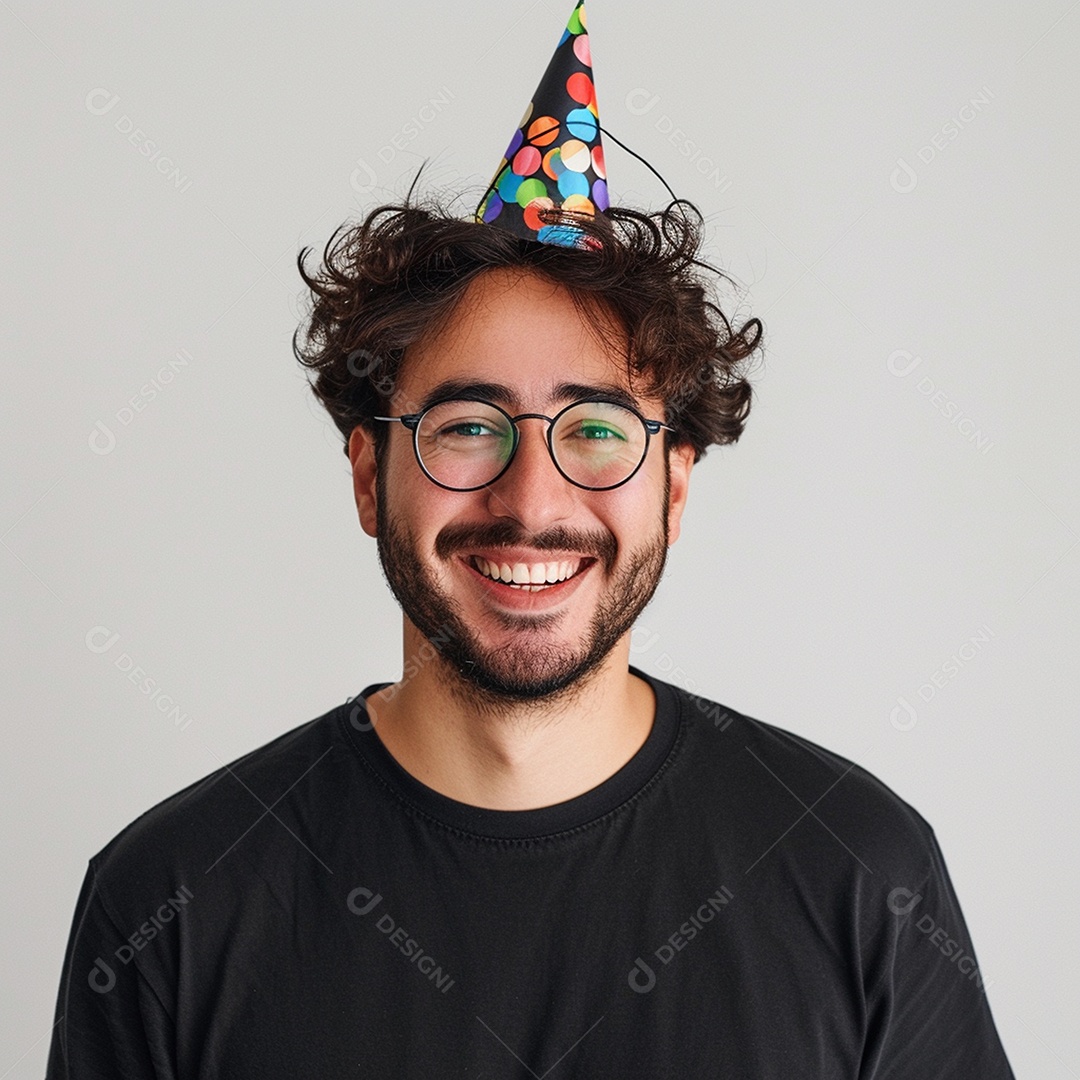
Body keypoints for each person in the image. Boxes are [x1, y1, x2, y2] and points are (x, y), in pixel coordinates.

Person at [46, 3, 1015, 1076]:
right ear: (371, 475)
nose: (533, 498)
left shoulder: (860, 873)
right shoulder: (170, 900)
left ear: (674, 489)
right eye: (467, 428)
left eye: (597, 430)